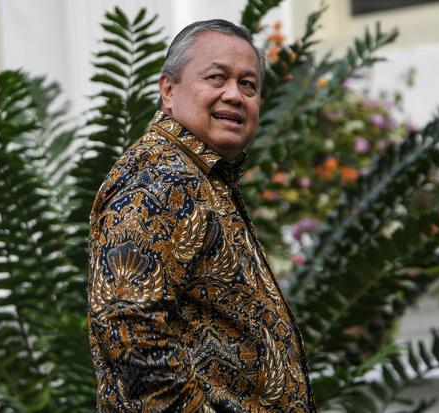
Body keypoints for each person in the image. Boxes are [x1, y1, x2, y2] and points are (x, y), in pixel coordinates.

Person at [87, 19, 316, 412]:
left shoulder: (201, 176)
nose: (235, 95)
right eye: (216, 78)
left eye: (249, 85)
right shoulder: (161, 179)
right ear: (168, 90)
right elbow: (127, 325)